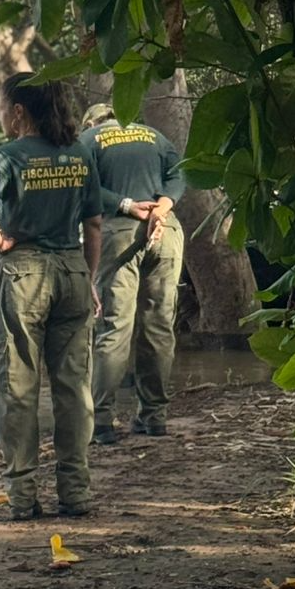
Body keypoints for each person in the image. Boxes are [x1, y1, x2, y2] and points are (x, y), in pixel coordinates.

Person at [0, 73, 102, 521]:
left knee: (18, 389)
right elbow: (94, 224)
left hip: (24, 274)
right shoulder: (79, 152)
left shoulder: (8, 156)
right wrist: (89, 279)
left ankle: (22, 497)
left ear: (18, 112)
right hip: (73, 269)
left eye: (2, 106)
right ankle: (75, 494)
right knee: (73, 389)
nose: (0, 114)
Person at [79, 103, 186, 442]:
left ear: (93, 122)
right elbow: (180, 173)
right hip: (166, 231)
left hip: (119, 234)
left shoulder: (88, 139)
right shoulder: (154, 135)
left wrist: (125, 205)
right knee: (159, 325)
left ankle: (102, 422)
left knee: (115, 327)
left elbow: (83, 185)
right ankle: (154, 417)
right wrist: (163, 206)